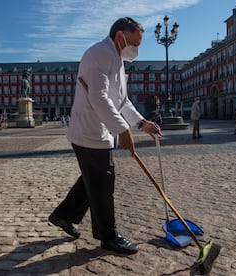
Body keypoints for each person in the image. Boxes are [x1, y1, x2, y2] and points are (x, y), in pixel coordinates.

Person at [48, 17, 162, 255]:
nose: (137, 50)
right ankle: (108, 237)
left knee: (94, 178)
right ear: (121, 36)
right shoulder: (99, 54)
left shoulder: (116, 59)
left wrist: (141, 123)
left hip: (98, 131)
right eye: (135, 43)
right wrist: (123, 129)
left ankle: (63, 215)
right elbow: (99, 98)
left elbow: (121, 100)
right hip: (89, 131)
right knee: (103, 182)